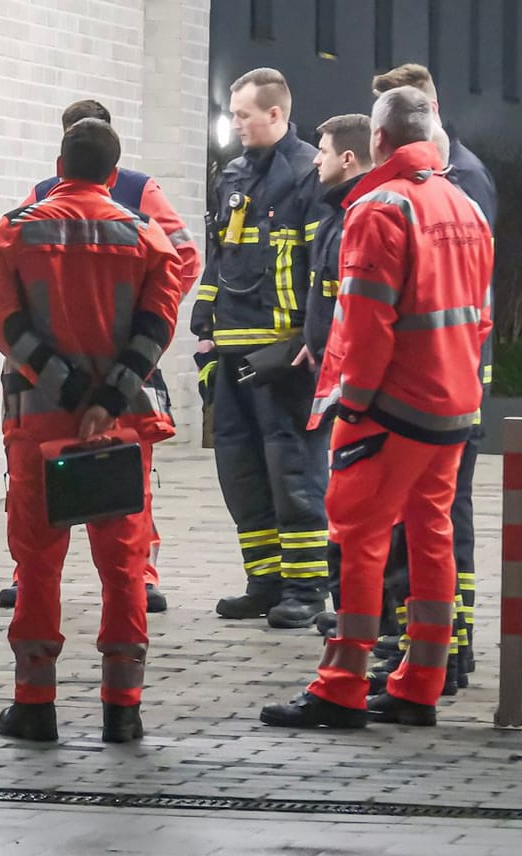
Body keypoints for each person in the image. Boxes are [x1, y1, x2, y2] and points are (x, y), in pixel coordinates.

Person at [259, 86, 494, 729]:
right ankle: (420, 681)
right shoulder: (463, 205)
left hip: (390, 408)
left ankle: (340, 685)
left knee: (356, 544)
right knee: (432, 542)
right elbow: (479, 316)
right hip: (453, 405)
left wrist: (353, 406)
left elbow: (365, 323)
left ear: (379, 142)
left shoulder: (379, 208)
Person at [0, 118, 183, 744]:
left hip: (38, 421)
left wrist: (66, 389)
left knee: (37, 562)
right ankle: (124, 709)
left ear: (60, 162)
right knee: (123, 564)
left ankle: (34, 705)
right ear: (114, 174)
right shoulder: (147, 236)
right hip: (118, 427)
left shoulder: (14, 231)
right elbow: (158, 324)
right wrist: (108, 395)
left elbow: (4, 323)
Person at [0, 98, 199, 615]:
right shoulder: (139, 224)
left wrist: (64, 385)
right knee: (123, 529)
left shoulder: (21, 221)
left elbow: (6, 319)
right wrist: (117, 379)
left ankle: (35, 687)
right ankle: (123, 689)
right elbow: (166, 292)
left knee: (40, 529)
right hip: (124, 389)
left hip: (42, 396)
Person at [362, 63, 500, 690]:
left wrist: (357, 401)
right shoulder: (461, 191)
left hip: (411, 395)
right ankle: (434, 656)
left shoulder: (411, 196)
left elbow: (370, 320)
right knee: (434, 524)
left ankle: (425, 652)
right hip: (451, 386)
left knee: (388, 528)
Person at [192, 68, 330, 629]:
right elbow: (220, 256)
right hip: (231, 350)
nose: (237, 124)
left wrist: (312, 339)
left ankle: (305, 587)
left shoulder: (307, 174)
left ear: (275, 114)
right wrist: (202, 321)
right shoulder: (231, 175)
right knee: (242, 471)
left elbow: (325, 267)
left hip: (282, 356)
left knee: (291, 470)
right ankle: (264, 580)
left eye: (245, 114)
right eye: (234, 114)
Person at [297, 114, 373, 632]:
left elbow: (361, 304)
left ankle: (359, 619)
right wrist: (314, 343)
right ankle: (350, 610)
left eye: (321, 150)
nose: (315, 158)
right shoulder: (339, 212)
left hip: (357, 389)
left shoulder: (358, 215)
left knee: (357, 508)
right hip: (335, 372)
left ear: (348, 157)